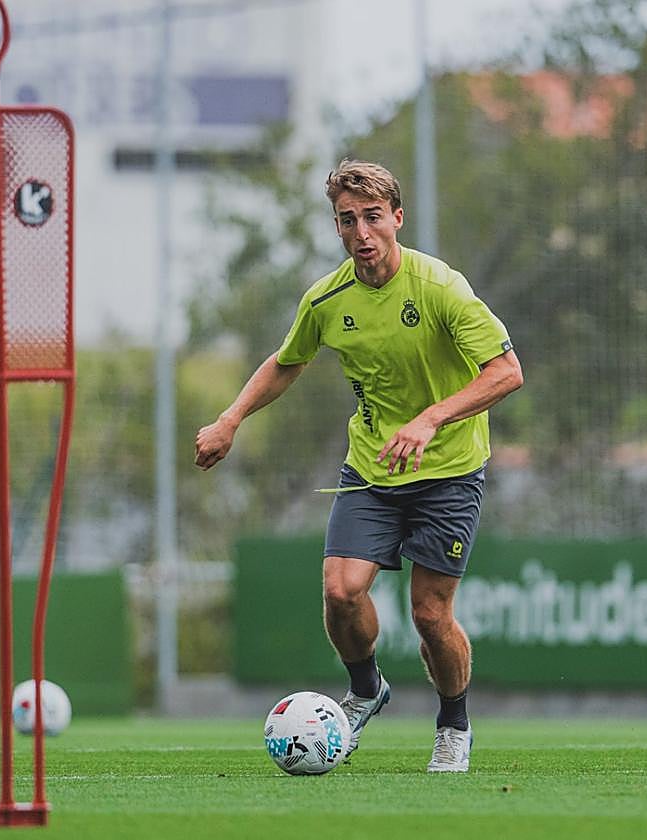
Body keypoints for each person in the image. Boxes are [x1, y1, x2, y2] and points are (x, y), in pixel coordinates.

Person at [195, 159, 522, 773]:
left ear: (396, 218)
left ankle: (454, 721)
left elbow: (506, 371)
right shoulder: (327, 298)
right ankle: (367, 689)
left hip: (450, 468)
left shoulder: (440, 287)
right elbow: (286, 361)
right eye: (349, 221)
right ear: (338, 229)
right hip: (372, 468)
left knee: (429, 613)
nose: (362, 232)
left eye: (373, 217)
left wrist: (429, 420)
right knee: (341, 593)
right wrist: (231, 418)